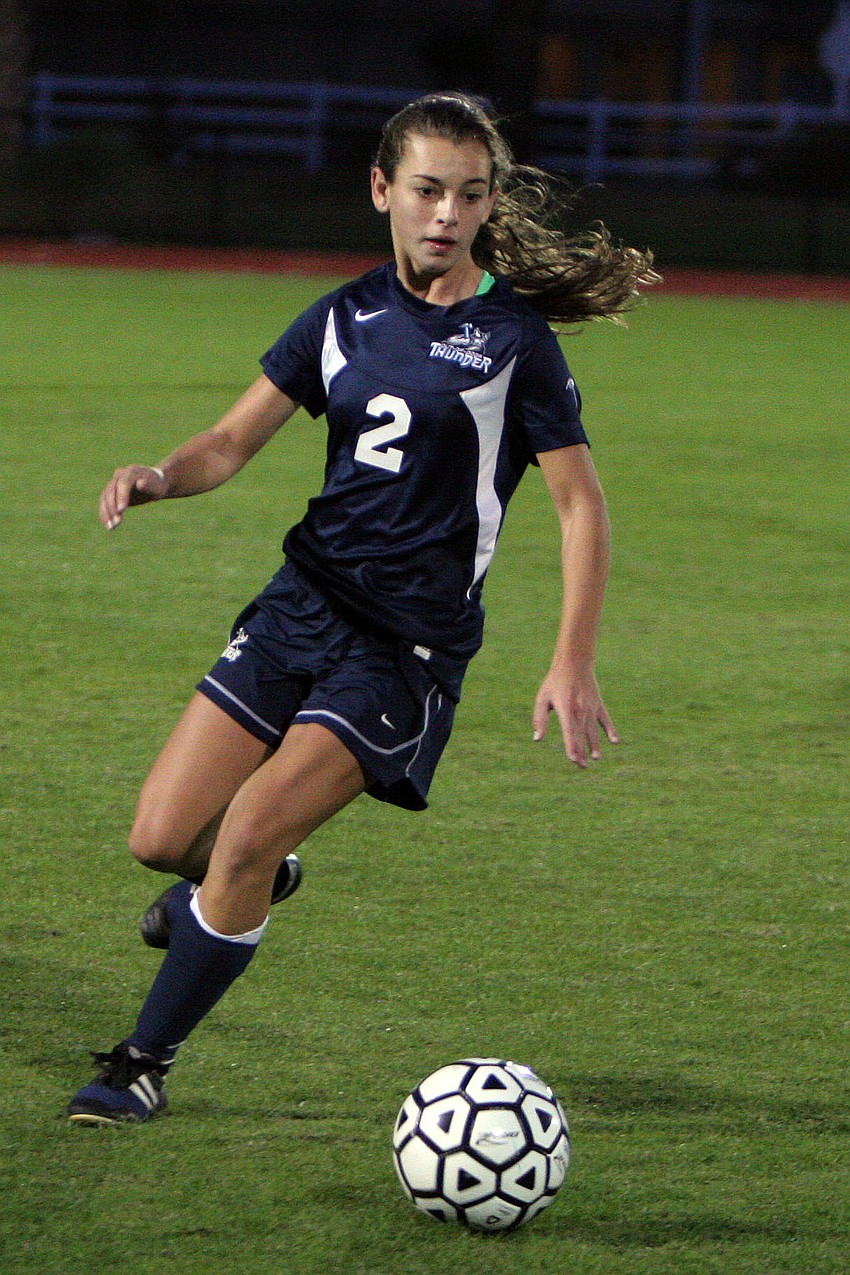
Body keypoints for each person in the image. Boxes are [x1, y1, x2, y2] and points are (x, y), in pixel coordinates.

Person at [68, 92, 657, 1125]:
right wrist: (161, 475)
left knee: (243, 834)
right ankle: (248, 888)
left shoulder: (512, 340)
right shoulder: (341, 316)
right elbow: (231, 441)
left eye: (469, 196)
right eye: (427, 190)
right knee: (162, 840)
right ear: (383, 189)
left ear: (487, 207)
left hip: (403, 650)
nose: (446, 214)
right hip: (300, 607)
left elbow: (580, 509)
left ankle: (141, 1062)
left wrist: (571, 658)